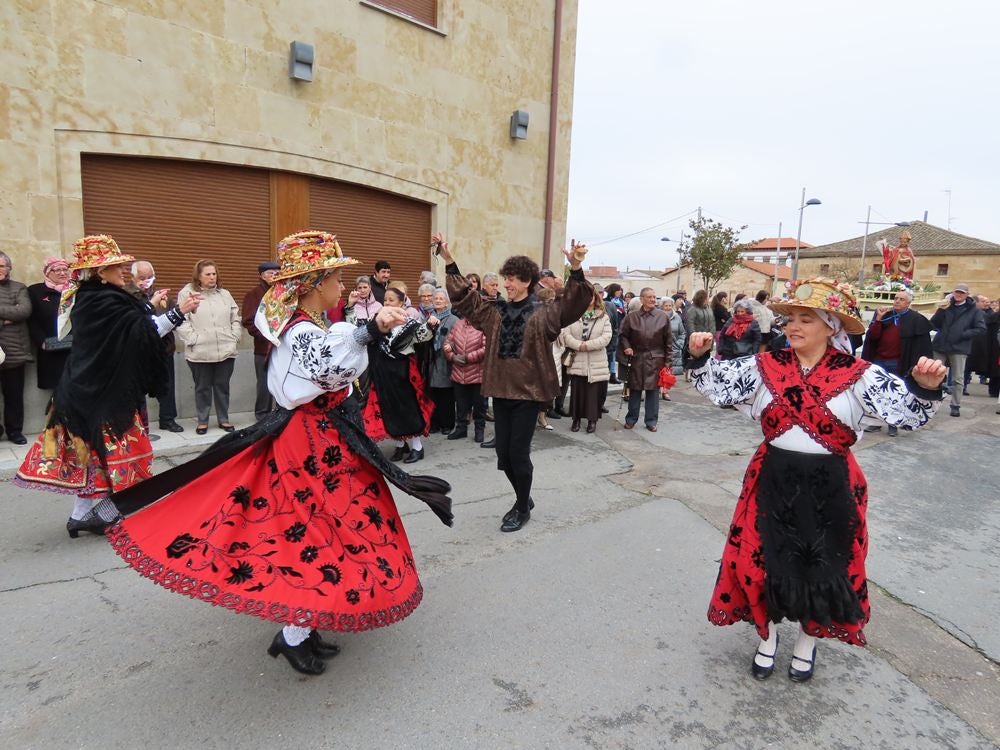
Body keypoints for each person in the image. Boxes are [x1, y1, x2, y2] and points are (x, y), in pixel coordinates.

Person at [103, 230, 452, 676]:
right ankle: (292, 635)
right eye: (336, 278)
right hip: (307, 443)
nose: (343, 287)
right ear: (313, 283)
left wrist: (387, 328)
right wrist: (369, 329)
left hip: (329, 438)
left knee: (330, 531)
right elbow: (326, 363)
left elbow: (346, 353)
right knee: (310, 536)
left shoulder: (317, 323)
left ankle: (302, 629)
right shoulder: (300, 329)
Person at [685, 278, 946, 683]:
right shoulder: (765, 365)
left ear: (832, 327)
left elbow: (908, 412)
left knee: (824, 570)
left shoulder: (859, 374)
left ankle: (807, 642)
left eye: (806, 319)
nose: (793, 326)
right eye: (790, 318)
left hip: (831, 487)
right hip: (772, 479)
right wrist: (700, 358)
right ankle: (766, 637)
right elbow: (715, 383)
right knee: (759, 565)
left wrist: (927, 388)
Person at [14, 235, 200, 536]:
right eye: (116, 266)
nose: (123, 270)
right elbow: (142, 332)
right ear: (99, 273)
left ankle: (85, 516)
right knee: (105, 453)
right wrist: (178, 312)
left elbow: (133, 329)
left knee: (95, 456)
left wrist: (166, 311)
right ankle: (90, 514)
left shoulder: (94, 297)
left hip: (91, 388)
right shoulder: (101, 300)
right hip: (99, 393)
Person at [437, 233, 593, 532]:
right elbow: (465, 299)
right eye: (505, 277)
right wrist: (449, 261)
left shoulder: (545, 312)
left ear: (526, 282)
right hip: (500, 389)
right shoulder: (493, 310)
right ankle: (525, 497)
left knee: (518, 454)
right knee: (503, 455)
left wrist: (575, 267)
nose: (505, 283)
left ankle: (522, 507)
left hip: (529, 393)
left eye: (511, 278)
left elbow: (576, 301)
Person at [362, 287, 437, 464]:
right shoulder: (380, 322)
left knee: (408, 409)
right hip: (384, 374)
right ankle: (400, 445)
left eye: (391, 300)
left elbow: (422, 336)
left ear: (402, 303)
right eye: (385, 300)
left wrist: (431, 324)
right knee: (390, 409)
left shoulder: (409, 324)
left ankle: (418, 448)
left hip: (402, 374)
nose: (387, 303)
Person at [176, 260, 242, 435]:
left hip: (225, 349)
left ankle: (223, 419)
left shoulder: (225, 294)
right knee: (202, 387)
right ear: (198, 276)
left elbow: (235, 317)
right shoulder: (187, 294)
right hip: (200, 350)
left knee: (222, 387)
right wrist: (193, 338)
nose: (212, 277)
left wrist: (234, 336)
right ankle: (203, 421)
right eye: (208, 274)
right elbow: (181, 320)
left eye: (214, 274)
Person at [860, 289, 933, 436]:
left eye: (901, 299)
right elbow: (873, 337)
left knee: (895, 395)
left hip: (898, 362)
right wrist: (878, 319)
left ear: (908, 303)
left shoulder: (915, 319)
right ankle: (876, 423)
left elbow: (921, 346)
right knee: (876, 393)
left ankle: (892, 423)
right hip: (879, 361)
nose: (897, 301)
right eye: (896, 298)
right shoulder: (884, 314)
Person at [129, 260, 184, 433]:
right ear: (133, 277)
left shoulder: (163, 296)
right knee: (137, 389)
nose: (146, 280)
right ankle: (139, 423)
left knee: (166, 385)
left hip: (163, 349)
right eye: (142, 277)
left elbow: (177, 317)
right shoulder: (127, 295)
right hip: (138, 351)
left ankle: (167, 419)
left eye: (150, 277)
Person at [619, 288, 671, 431]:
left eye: (654, 297)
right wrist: (627, 347)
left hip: (656, 359)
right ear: (641, 299)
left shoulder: (663, 317)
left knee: (653, 392)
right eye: (649, 297)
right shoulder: (632, 316)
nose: (653, 300)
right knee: (635, 390)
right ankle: (631, 419)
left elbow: (669, 342)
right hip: (637, 358)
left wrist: (668, 362)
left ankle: (651, 421)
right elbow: (623, 335)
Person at [930, 283, 986, 417]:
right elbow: (934, 324)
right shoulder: (947, 306)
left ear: (967, 295)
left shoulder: (974, 310)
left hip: (959, 347)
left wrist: (963, 334)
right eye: (957, 292)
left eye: (961, 293)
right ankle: (932, 403)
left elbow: (981, 329)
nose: (958, 295)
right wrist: (941, 310)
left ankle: (955, 405)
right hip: (941, 345)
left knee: (958, 378)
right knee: (934, 375)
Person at [562, 288, 612, 433]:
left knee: (593, 393)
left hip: (596, 361)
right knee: (577, 392)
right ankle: (576, 420)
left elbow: (606, 337)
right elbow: (565, 335)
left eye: (590, 297)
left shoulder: (603, 317)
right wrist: (578, 345)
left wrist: (587, 345)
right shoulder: (572, 315)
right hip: (577, 359)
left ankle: (592, 420)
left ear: (595, 299)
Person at [0, 251, 32, 444]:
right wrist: (5, 321)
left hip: (14, 351)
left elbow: (24, 311)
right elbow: (14, 313)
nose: (0, 269)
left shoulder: (19, 288)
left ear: (9, 268)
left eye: (2, 266)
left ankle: (14, 431)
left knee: (14, 396)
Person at [242, 260, 280, 422]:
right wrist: (266, 335)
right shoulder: (254, 294)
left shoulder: (283, 294)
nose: (273, 276)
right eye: (270, 273)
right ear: (261, 275)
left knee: (281, 380)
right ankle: (262, 414)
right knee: (264, 382)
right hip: (263, 347)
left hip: (282, 346)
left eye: (276, 273)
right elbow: (248, 321)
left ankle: (281, 411)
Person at [26, 257, 72, 392]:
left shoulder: (74, 291)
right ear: (47, 272)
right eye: (57, 270)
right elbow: (32, 320)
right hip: (50, 349)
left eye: (65, 269)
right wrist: (42, 342)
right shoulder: (35, 291)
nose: (63, 273)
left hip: (75, 349)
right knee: (57, 393)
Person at [444, 310, 487, 443]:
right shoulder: (458, 324)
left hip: (477, 373)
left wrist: (467, 358)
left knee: (479, 406)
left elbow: (486, 348)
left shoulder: (483, 325)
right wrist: (450, 353)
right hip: (458, 372)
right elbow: (449, 341)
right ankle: (461, 428)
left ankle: (479, 430)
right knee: (461, 404)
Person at [426, 288, 457, 434]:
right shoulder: (429, 318)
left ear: (446, 302)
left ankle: (447, 424)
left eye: (441, 299)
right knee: (433, 395)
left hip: (445, 361)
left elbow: (457, 340)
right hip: (432, 361)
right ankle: (435, 423)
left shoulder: (453, 320)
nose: (438, 301)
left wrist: (449, 346)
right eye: (436, 298)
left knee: (446, 395)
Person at [661, 297, 686, 376]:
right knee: (661, 374)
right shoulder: (658, 318)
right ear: (662, 307)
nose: (668, 308)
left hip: (675, 349)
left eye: (670, 306)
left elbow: (682, 333)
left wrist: (679, 344)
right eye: (666, 306)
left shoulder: (677, 317)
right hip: (661, 349)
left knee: (672, 376)